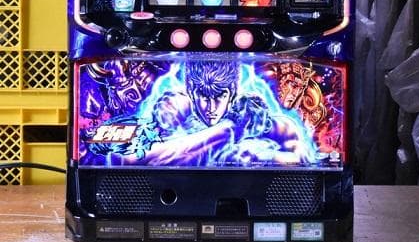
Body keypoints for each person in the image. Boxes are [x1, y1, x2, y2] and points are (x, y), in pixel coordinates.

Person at [85, 60, 318, 167]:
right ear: (190, 92)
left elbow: (302, 156)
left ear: (232, 92)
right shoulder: (174, 113)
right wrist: (229, 129)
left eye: (219, 97)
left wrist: (266, 157)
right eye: (203, 97)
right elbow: (123, 157)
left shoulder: (253, 117)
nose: (211, 107)